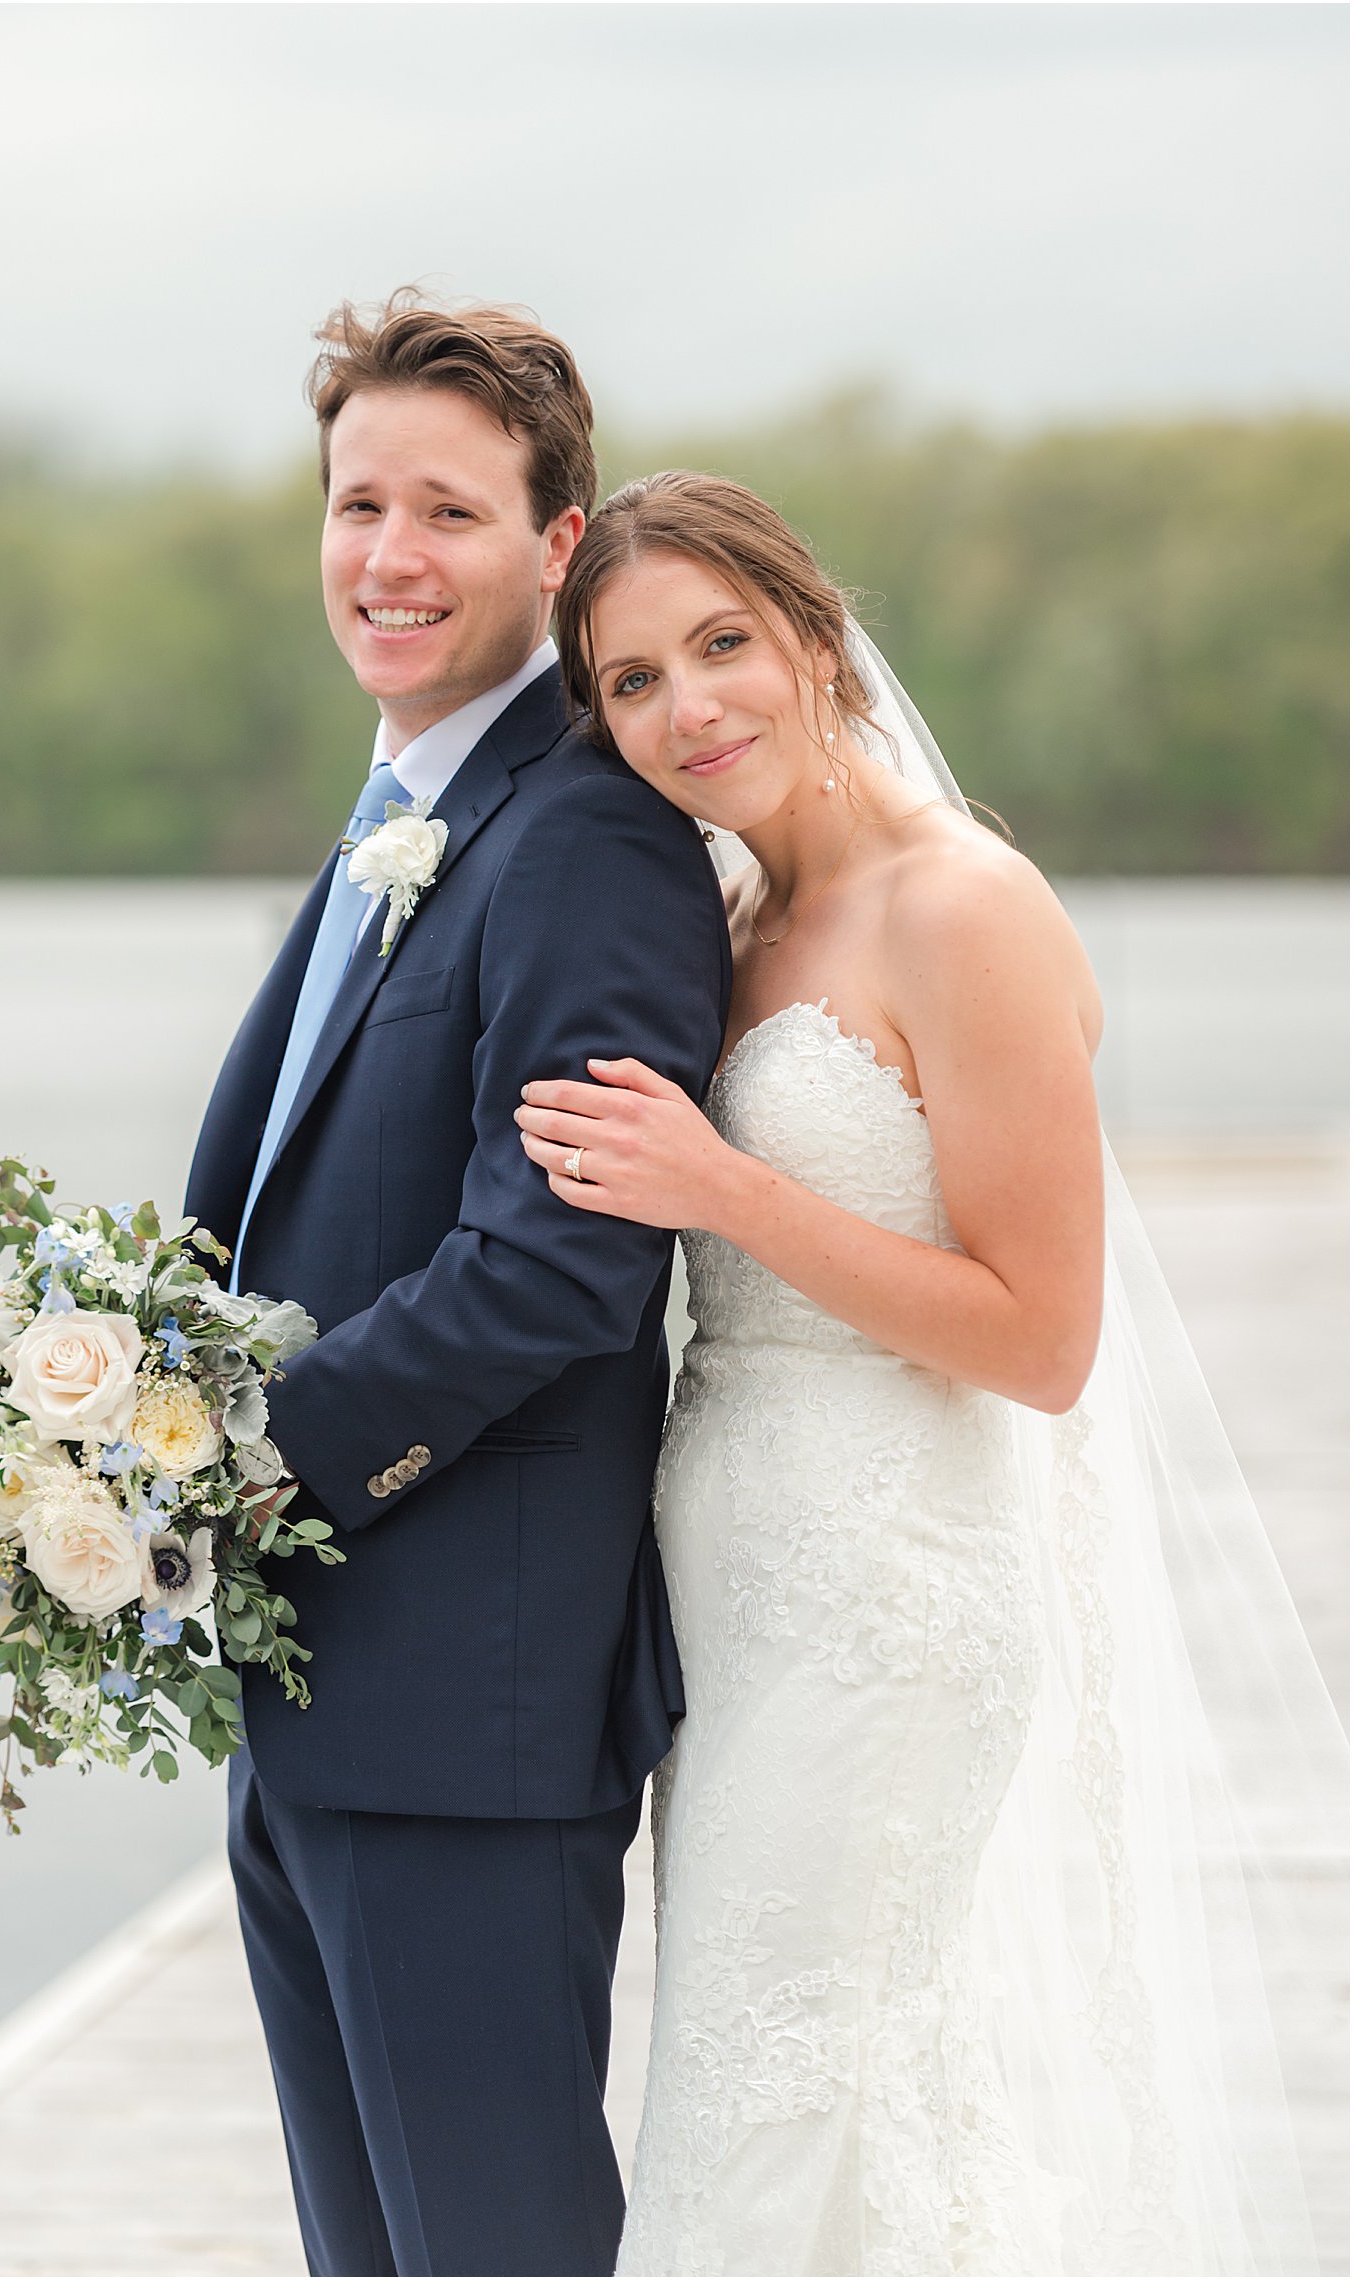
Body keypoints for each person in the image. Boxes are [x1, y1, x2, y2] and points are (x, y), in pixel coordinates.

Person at [518, 470, 1346, 2275]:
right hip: (735, 1578)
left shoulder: (961, 908)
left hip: (891, 1589)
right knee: (807, 2086)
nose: (689, 707)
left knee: (774, 2099)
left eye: (723, 644)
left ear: (817, 643)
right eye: (634, 681)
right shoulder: (731, 919)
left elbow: (1045, 1340)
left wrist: (720, 1187)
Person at [184, 306, 730, 2277]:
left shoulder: (581, 834)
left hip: (462, 1713)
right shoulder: (403, 815)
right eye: (357, 503)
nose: (389, 554)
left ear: (558, 545)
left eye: (450, 509)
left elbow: (561, 1266)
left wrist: (233, 1471)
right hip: (318, 1698)